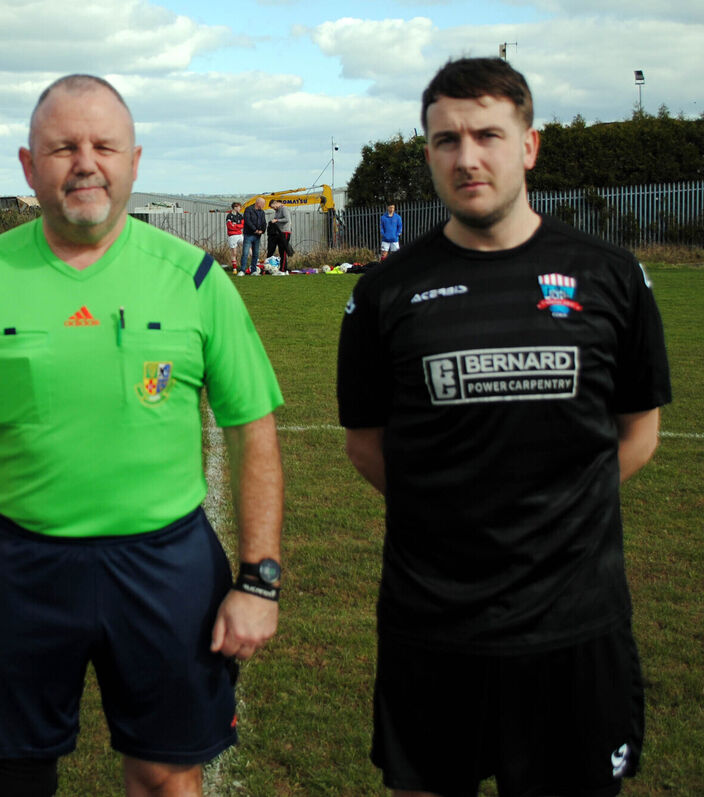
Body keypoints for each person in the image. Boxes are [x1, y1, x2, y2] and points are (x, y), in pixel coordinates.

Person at [0, 74, 284, 797]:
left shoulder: (196, 278)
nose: (84, 162)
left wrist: (259, 578)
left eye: (103, 144)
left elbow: (252, 428)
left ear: (134, 160)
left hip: (165, 565)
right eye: (62, 147)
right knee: (13, 775)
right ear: (27, 165)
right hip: (18, 564)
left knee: (168, 772)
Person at [337, 57, 671, 797]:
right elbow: (365, 443)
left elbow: (638, 430)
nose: (468, 157)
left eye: (488, 133)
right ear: (428, 153)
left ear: (529, 144)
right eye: (446, 140)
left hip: (574, 625)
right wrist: (452, 507)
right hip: (433, 624)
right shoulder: (387, 292)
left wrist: (560, 506)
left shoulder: (611, 275)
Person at [240, 196, 267, 275]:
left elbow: (263, 222)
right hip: (249, 234)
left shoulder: (262, 212)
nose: (264, 205)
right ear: (258, 203)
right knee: (245, 253)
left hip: (258, 236)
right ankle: (242, 270)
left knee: (255, 253)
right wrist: (255, 230)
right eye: (263, 204)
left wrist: (262, 230)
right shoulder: (248, 209)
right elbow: (248, 221)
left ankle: (254, 270)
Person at [265, 199, 293, 267]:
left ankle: (283, 268)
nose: (273, 209)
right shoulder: (277, 211)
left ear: (276, 203)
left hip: (285, 232)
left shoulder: (284, 209)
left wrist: (277, 220)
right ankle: (273, 266)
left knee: (283, 250)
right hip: (279, 233)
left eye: (273, 207)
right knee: (277, 250)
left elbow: (287, 219)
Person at [225, 201, 245, 273]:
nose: (240, 208)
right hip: (232, 236)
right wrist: (237, 226)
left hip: (239, 235)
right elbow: (230, 226)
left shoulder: (240, 215)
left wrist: (235, 225)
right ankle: (234, 269)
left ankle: (254, 264)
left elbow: (242, 225)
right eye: (239, 207)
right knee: (234, 252)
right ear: (235, 207)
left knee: (248, 246)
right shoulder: (229, 216)